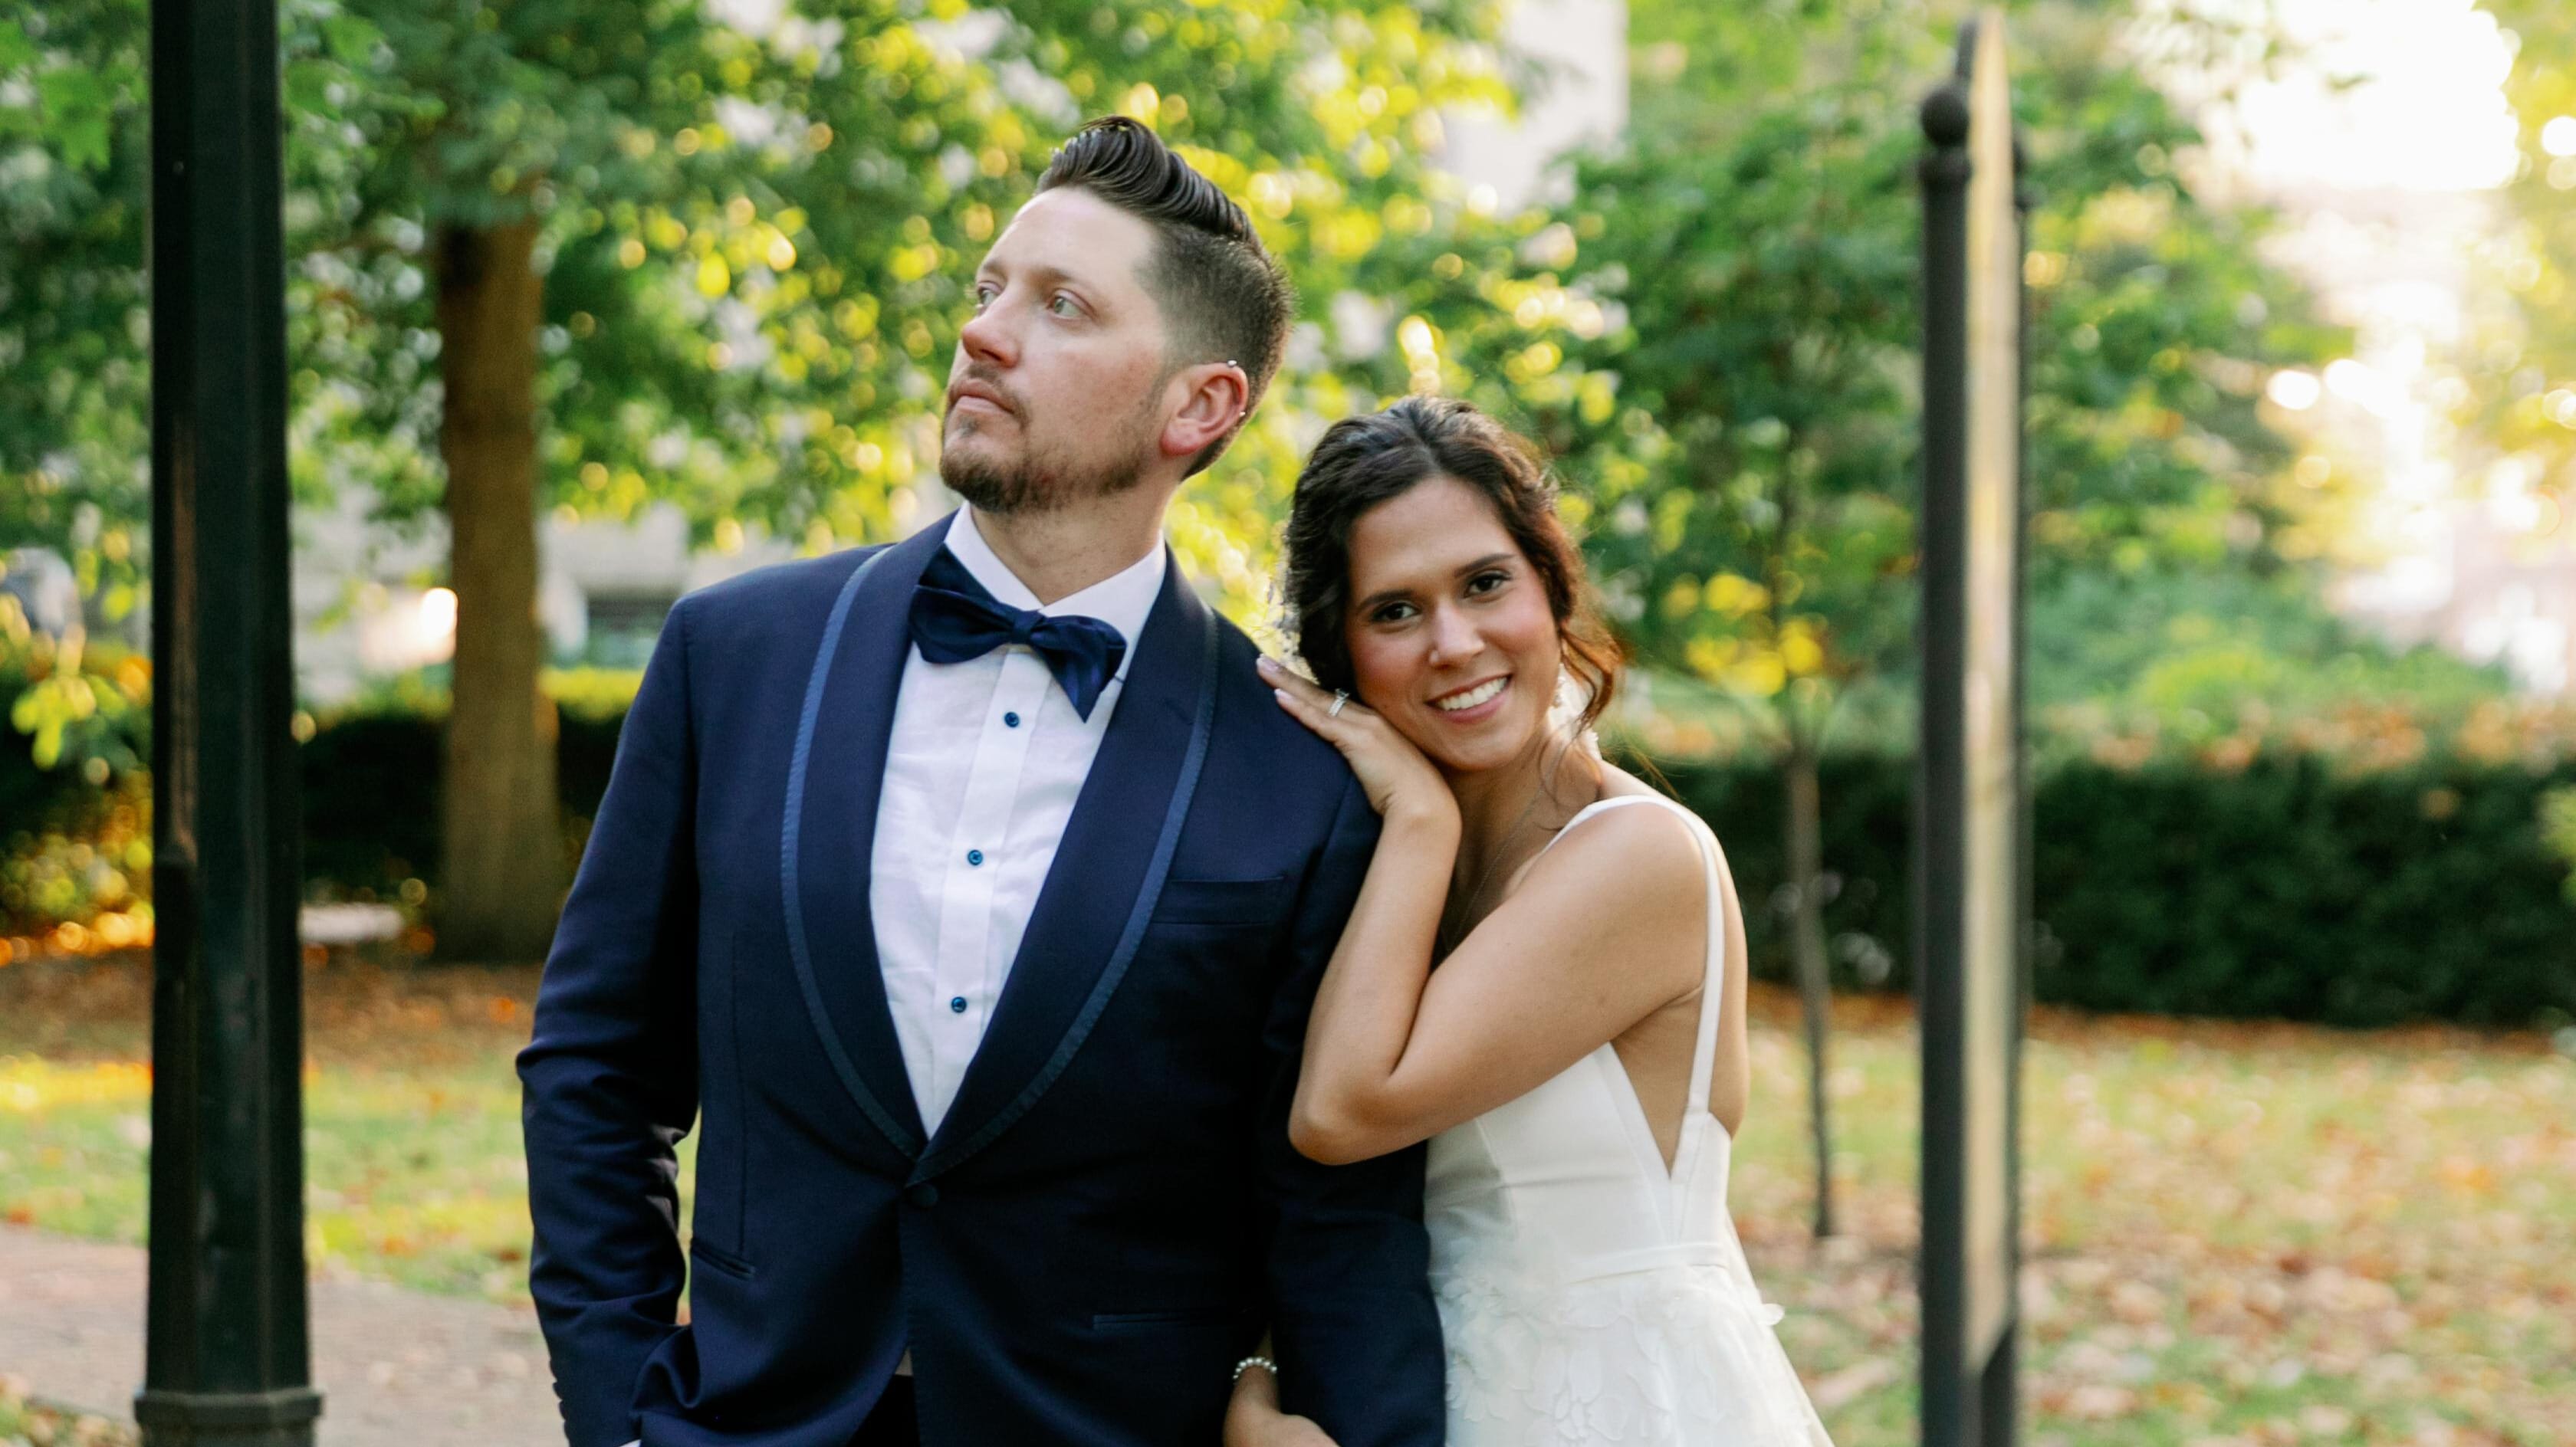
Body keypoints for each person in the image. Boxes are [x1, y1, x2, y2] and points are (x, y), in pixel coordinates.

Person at [518, 117, 1445, 1447]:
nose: (987, 334)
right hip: (746, 1422)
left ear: (1203, 405)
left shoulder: (1297, 773)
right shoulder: (734, 657)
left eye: (1062, 306)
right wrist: (616, 1415)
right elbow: (598, 1069)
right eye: (988, 290)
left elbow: (1334, 1215)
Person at [1224, 397, 1837, 1447]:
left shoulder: (1638, 859)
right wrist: (1258, 1379)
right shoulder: (1383, 883)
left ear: (1553, 593)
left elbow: (1342, 1112)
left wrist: (1417, 817)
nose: (1454, 643)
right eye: (1395, 611)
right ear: (1346, 656)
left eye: (1485, 584)